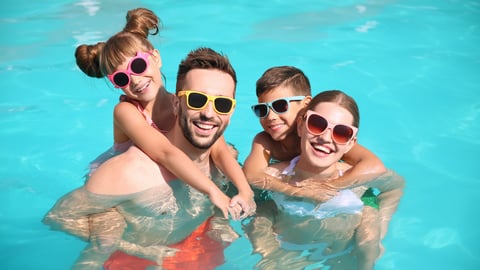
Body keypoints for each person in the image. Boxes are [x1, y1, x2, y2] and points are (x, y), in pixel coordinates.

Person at [44, 47, 252, 269]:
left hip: (193, 248)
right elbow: (59, 217)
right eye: (197, 100)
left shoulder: (225, 160)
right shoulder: (131, 172)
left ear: (230, 114)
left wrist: (221, 219)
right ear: (175, 103)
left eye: (221, 104)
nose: (209, 114)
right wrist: (128, 246)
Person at [75, 7, 254, 216]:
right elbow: (165, 153)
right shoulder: (126, 111)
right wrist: (212, 191)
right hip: (122, 177)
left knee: (230, 151)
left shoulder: (179, 101)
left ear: (156, 58)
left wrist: (245, 190)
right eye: (121, 78)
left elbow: (219, 148)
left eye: (138, 65)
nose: (135, 79)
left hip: (171, 160)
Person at [243, 90, 405, 269]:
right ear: (300, 126)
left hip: (345, 256)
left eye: (342, 133)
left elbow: (395, 188)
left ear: (351, 143)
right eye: (317, 124)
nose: (326, 138)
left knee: (368, 243)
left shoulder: (357, 179)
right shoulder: (274, 177)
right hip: (289, 256)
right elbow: (250, 201)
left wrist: (378, 231)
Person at [243, 66, 386, 201]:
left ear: (306, 104)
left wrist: (330, 186)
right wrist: (296, 191)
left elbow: (374, 166)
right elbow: (252, 175)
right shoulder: (265, 141)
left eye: (280, 106)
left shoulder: (328, 138)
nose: (270, 116)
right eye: (262, 110)